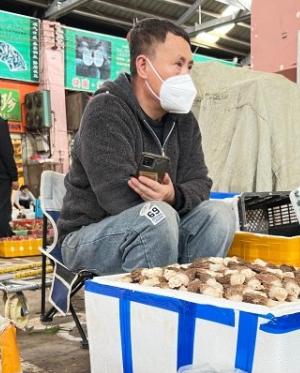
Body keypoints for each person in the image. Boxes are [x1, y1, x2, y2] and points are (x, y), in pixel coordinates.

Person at [58, 18, 236, 275]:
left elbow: (200, 182)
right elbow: (116, 196)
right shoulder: (106, 111)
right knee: (157, 217)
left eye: (189, 66)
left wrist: (173, 195)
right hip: (90, 236)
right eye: (178, 64)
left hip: (160, 224)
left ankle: (190, 297)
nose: (186, 75)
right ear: (143, 66)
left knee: (219, 215)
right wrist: (165, 206)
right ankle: (152, 307)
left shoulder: (185, 121)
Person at [0, 88, 18, 240]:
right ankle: (3, 240)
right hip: (0, 176)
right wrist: (14, 177)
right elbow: (6, 152)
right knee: (2, 209)